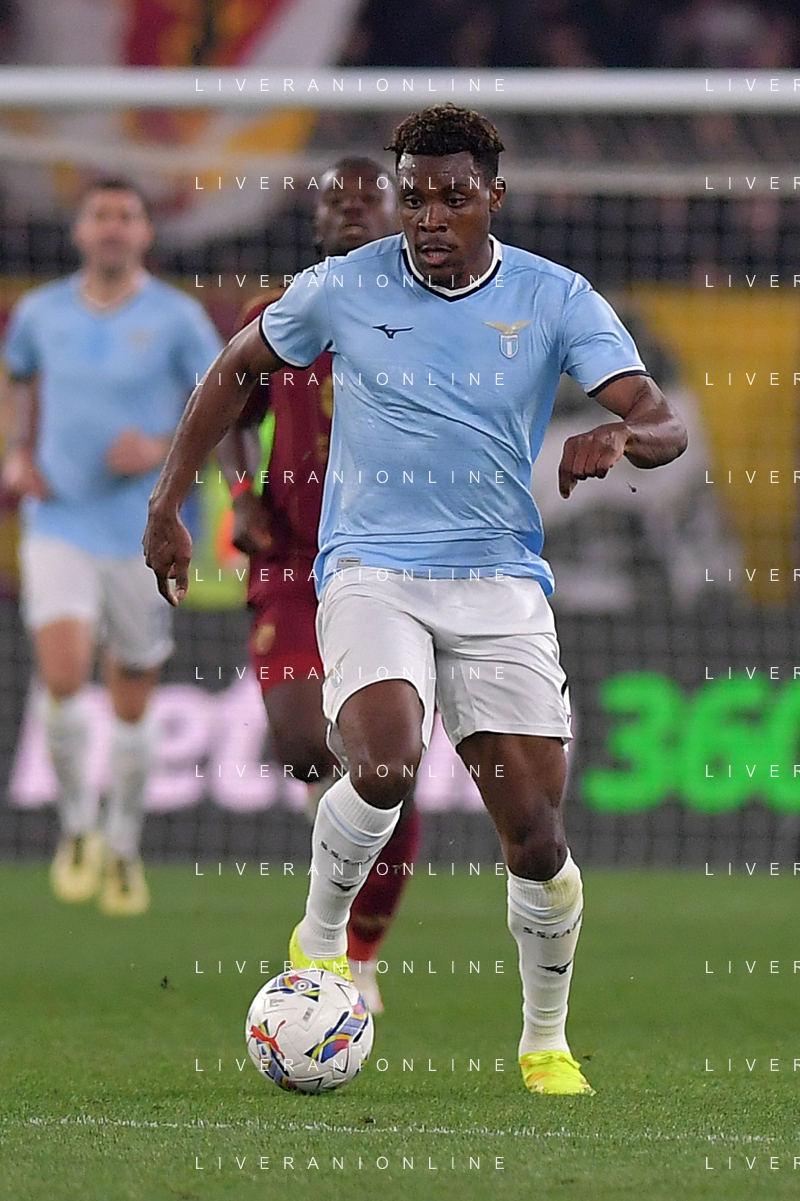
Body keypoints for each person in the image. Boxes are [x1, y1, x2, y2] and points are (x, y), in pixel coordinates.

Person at [143, 104, 688, 1093]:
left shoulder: (555, 295)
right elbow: (234, 370)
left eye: (453, 197)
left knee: (537, 837)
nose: (429, 217)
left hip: (499, 582)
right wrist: (168, 503)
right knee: (385, 761)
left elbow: (660, 420)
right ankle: (321, 941)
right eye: (414, 198)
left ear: (495, 197)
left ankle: (544, 1042)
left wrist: (620, 435)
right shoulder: (342, 285)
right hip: (371, 569)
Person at [217, 158, 421, 1011]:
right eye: (336, 198)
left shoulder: (431, 318)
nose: (352, 209)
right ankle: (336, 884)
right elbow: (231, 407)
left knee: (388, 765)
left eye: (370, 197)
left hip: (397, 566)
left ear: (400, 215)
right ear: (316, 221)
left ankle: (356, 949)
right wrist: (241, 492)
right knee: (306, 744)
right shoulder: (278, 314)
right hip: (296, 560)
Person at [1, 178, 222, 914]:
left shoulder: (178, 318)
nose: (113, 227)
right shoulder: (39, 313)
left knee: (131, 696)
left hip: (143, 530)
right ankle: (76, 828)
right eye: (101, 215)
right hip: (58, 519)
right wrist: (18, 453)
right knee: (62, 675)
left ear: (146, 234)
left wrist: (159, 448)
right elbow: (18, 384)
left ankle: (124, 843)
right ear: (79, 231)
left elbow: (220, 402)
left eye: (127, 216)